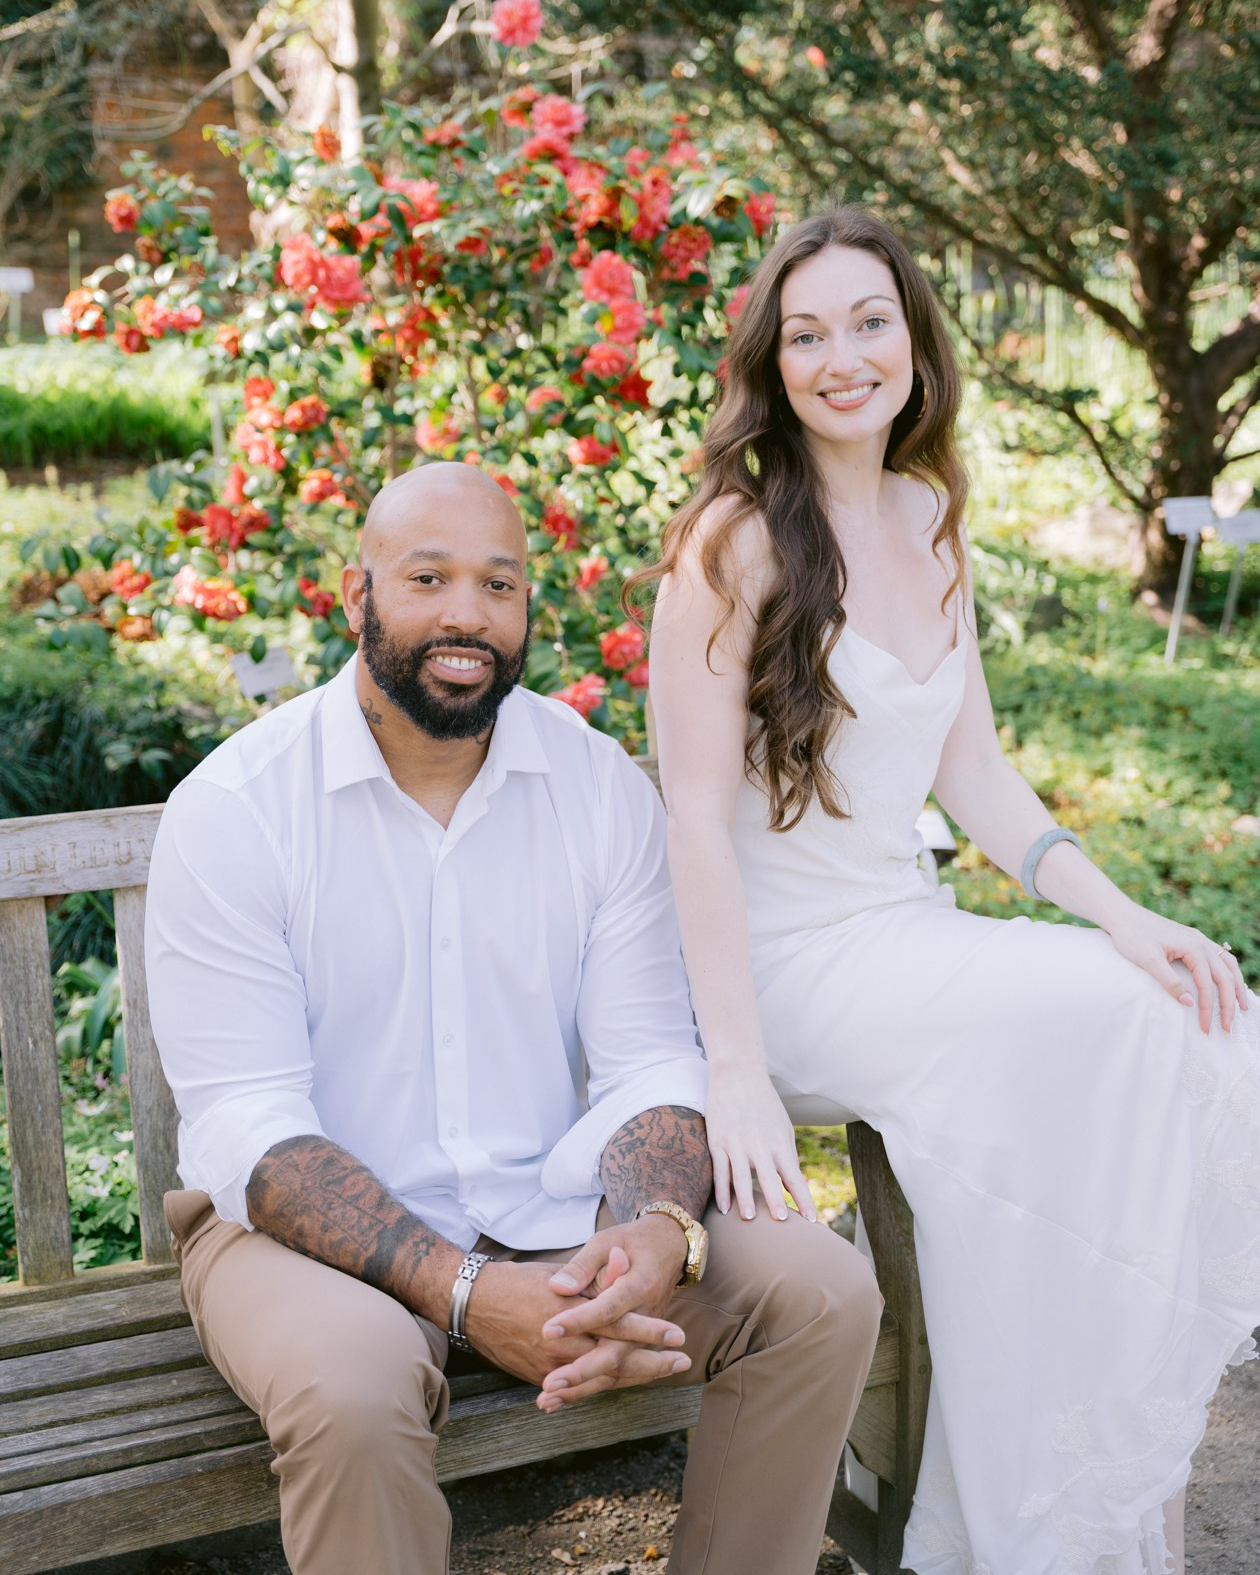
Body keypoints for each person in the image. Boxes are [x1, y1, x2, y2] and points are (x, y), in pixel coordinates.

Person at [641, 204, 1260, 1575]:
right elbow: (690, 817)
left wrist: (1122, 910)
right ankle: (1061, 1514)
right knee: (1106, 1027)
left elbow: (974, 771)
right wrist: (733, 1071)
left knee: (1176, 1011)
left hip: (907, 937)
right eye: (806, 332)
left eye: (870, 322)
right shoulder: (730, 544)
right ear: (773, 360)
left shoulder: (932, 517)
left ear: (916, 342)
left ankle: (1113, 1486)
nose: (840, 355)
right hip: (782, 971)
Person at [145, 460, 882, 1575]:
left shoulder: (593, 790)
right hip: (296, 1237)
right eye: (428, 577)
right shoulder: (239, 811)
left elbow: (650, 1063)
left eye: (499, 585)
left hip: (551, 1208)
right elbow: (251, 1129)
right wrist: (466, 1293)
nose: (466, 615)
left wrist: (650, 1234)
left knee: (819, 1291)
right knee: (351, 1390)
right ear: (358, 597)